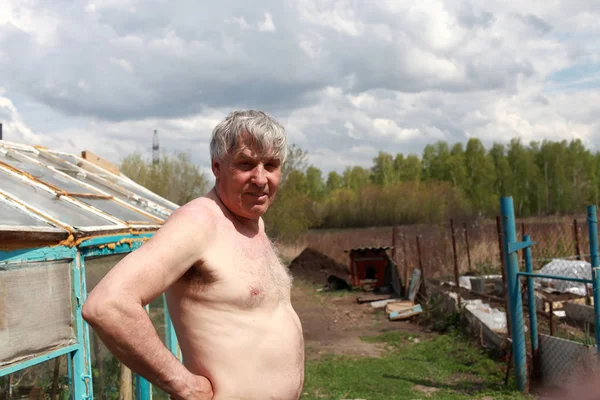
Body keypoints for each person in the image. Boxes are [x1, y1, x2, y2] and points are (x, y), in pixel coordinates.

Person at [82, 110, 305, 400]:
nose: (261, 179)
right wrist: (183, 384)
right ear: (216, 167)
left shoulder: (252, 222)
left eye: (271, 165)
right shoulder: (198, 223)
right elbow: (107, 305)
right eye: (246, 164)